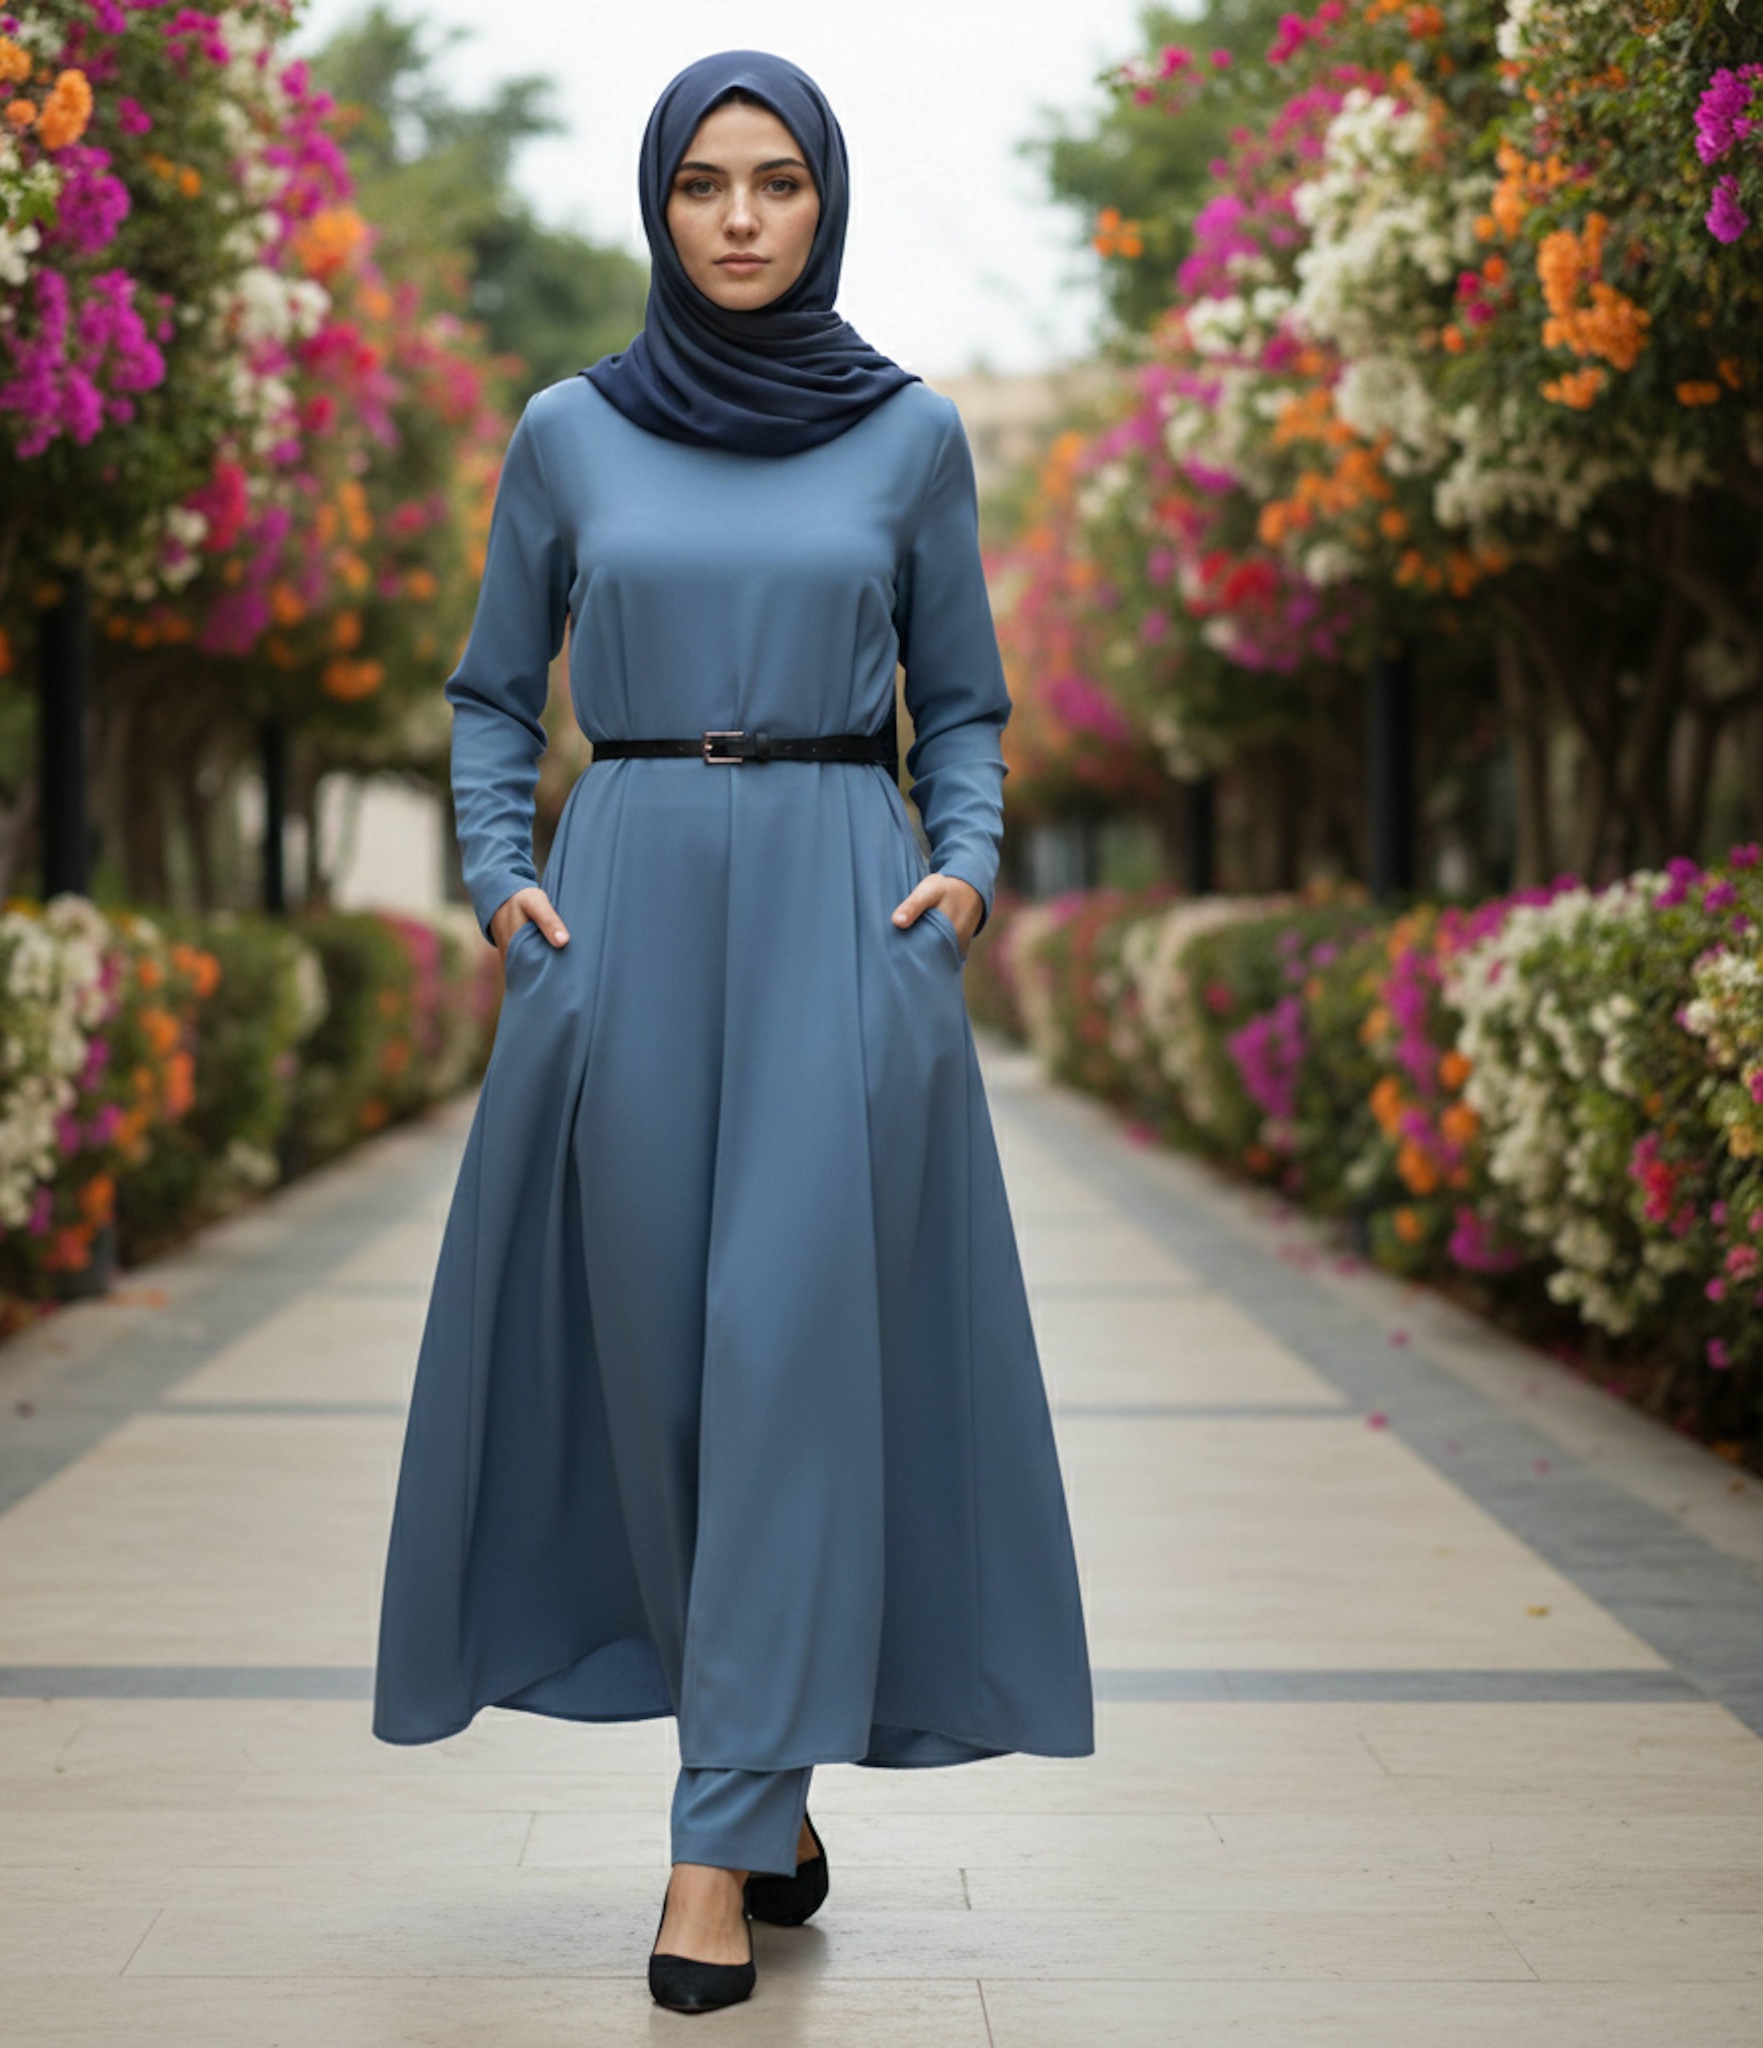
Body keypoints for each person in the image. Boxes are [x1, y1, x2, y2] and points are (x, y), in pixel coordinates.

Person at [371, 48, 1094, 2015]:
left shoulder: (910, 436)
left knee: (781, 1349)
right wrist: (499, 873)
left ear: (824, 198)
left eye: (777, 179)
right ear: (659, 208)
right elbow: (492, 687)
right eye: (705, 183)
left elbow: (962, 698)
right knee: (656, 1382)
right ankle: (765, 1783)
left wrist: (959, 872)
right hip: (622, 914)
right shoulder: (568, 434)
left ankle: (709, 1849)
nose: (744, 215)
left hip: (834, 910)